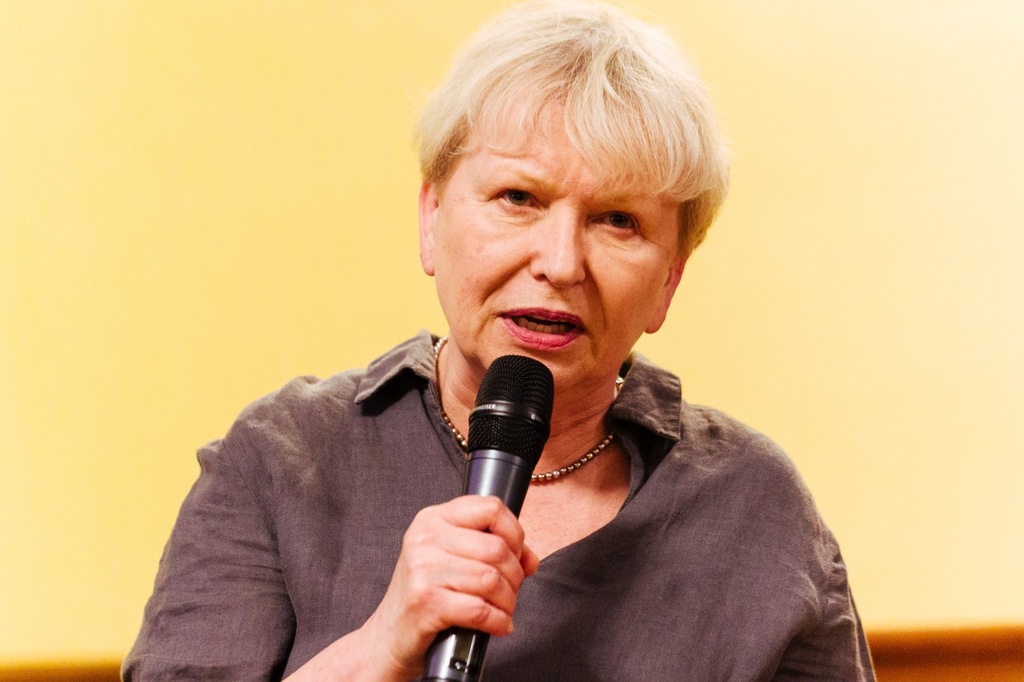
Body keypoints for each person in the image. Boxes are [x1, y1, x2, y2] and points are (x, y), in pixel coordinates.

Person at [124, 1, 874, 679]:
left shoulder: (757, 509)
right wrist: (380, 646)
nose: (560, 262)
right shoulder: (285, 461)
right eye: (519, 197)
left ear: (670, 278)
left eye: (617, 221)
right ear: (432, 218)